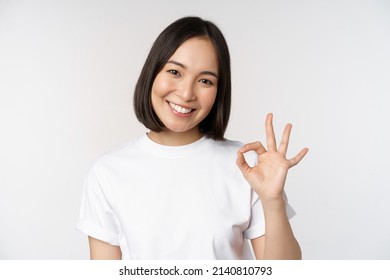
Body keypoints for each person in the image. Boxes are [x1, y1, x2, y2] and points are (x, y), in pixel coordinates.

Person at [76, 16, 308, 260]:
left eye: (205, 81)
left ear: (219, 92)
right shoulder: (107, 172)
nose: (186, 93)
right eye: (175, 71)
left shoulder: (246, 165)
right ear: (152, 73)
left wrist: (272, 201)